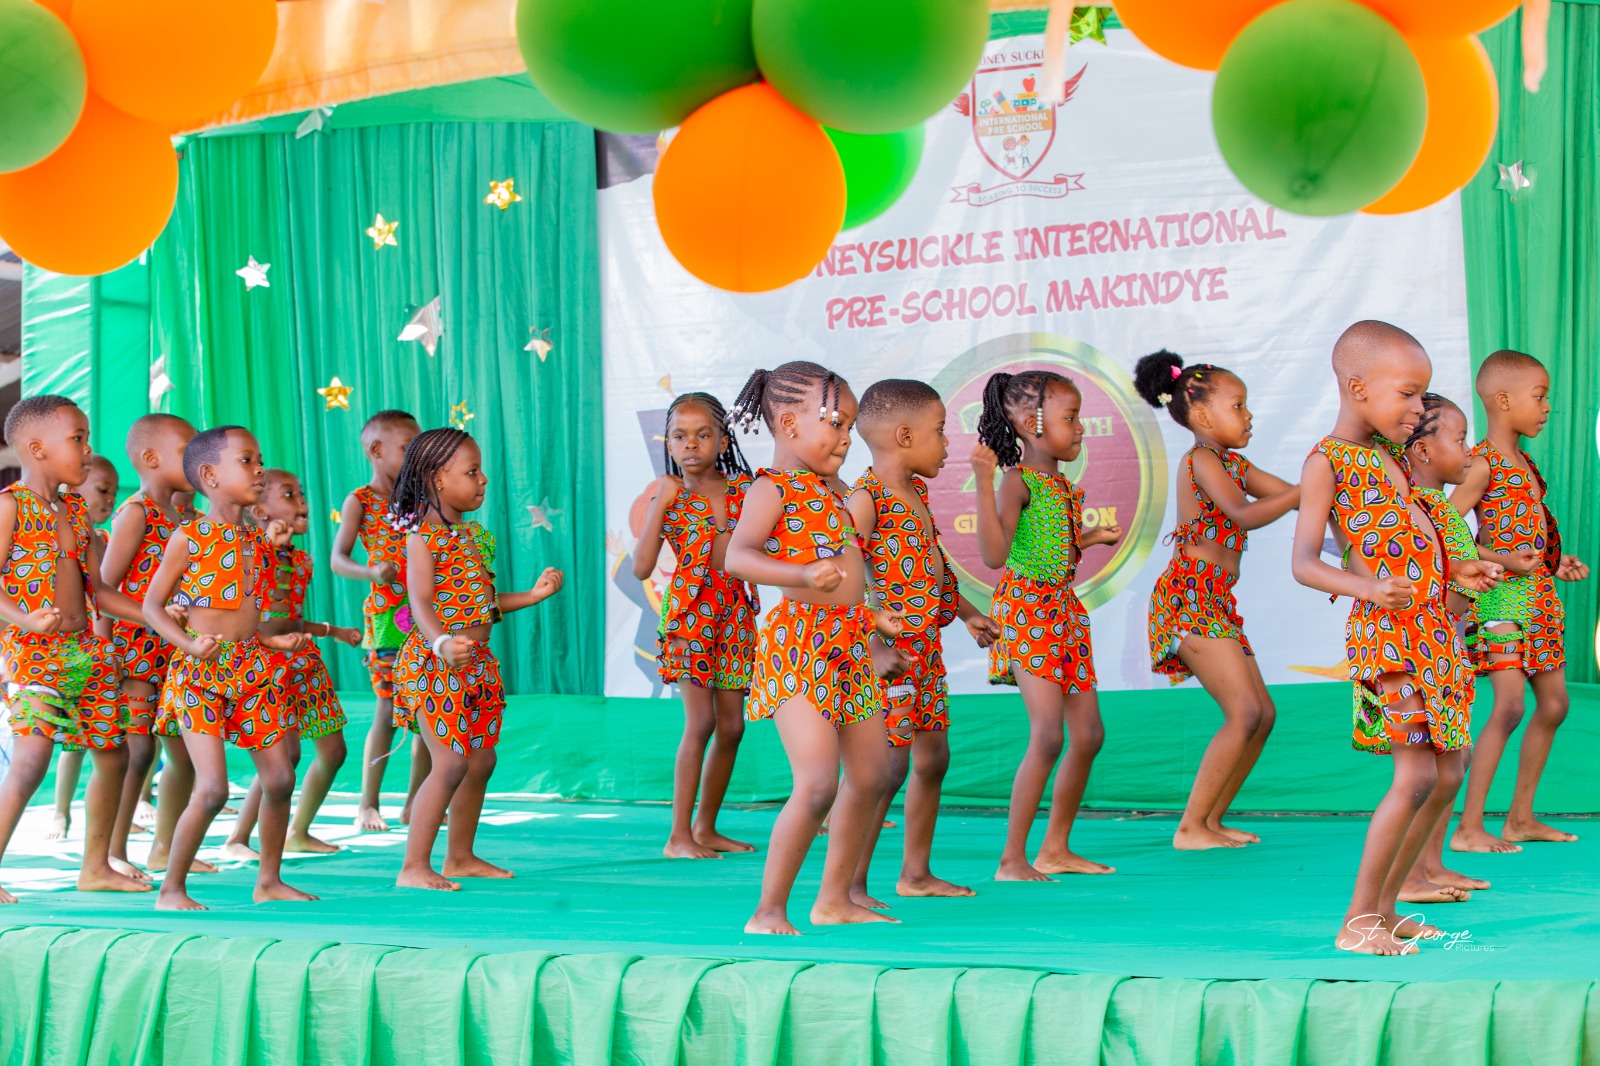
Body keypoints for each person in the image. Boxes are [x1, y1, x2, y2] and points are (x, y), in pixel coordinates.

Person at [1289, 321, 1499, 955]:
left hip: (1434, 635)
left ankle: (1386, 908)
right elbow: (1304, 563)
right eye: (1409, 393)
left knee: (1441, 772)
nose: (1418, 409)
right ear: (1358, 386)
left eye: (1422, 396)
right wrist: (1367, 589)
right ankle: (1357, 920)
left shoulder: (1387, 459)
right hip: (1390, 642)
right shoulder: (1327, 460)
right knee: (1412, 776)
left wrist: (1456, 567)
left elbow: (1413, 535)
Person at [724, 361, 903, 935]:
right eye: (836, 424)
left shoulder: (837, 492)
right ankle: (767, 910)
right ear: (788, 423)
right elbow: (738, 557)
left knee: (873, 773)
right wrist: (800, 577)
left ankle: (833, 898)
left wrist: (874, 615)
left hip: (849, 646)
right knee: (819, 781)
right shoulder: (769, 488)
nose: (847, 439)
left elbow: (848, 572)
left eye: (851, 428)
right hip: (798, 648)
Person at [141, 426, 317, 910]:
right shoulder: (189, 536)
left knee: (280, 778)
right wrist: (189, 644)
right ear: (209, 476)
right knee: (214, 787)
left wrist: (271, 637)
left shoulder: (256, 541)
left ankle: (269, 880)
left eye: (259, 459)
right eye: (246, 460)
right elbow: (154, 607)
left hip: (252, 669)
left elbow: (249, 614)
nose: (259, 469)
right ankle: (171, 889)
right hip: (200, 673)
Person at [1133, 351, 1300, 850]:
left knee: (1262, 715)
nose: (1249, 416)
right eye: (1239, 405)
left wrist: (1327, 488)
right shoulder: (1202, 459)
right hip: (1188, 598)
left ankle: (1209, 821)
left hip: (1214, 600)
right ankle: (1190, 828)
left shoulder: (1231, 461)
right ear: (1203, 416)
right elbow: (1243, 514)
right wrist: (1311, 487)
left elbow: (1294, 494)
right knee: (1244, 712)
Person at [389, 428, 564, 891]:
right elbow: (420, 602)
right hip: (437, 664)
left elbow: (485, 603)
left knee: (480, 762)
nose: (483, 480)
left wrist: (532, 595)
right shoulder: (421, 537)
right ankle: (413, 866)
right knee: (448, 765)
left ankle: (460, 856)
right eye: (471, 472)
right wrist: (440, 642)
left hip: (478, 663)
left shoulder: (474, 536)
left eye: (480, 470)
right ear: (436, 478)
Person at [846, 379, 999, 904]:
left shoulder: (917, 492)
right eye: (940, 432)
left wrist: (969, 613)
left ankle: (914, 874)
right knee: (885, 769)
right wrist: (873, 644)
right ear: (904, 435)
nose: (948, 444)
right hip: (885, 657)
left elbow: (932, 568)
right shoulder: (865, 500)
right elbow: (840, 580)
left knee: (932, 759)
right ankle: (851, 883)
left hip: (923, 652)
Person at [0, 397, 151, 903]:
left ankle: (95, 866)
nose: (88, 450)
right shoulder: (9, 506)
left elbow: (100, 590)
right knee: (31, 760)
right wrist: (24, 617)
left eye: (86, 438)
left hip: (86, 651)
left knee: (114, 753)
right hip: (33, 652)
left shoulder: (74, 509)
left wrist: (153, 614)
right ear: (37, 449)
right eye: (78, 439)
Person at [972, 369, 1120, 881]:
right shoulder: (1016, 481)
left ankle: (1054, 847)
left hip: (1062, 610)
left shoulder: (1060, 483)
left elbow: (1053, 541)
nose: (1079, 429)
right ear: (1032, 424)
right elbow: (995, 556)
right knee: (1048, 736)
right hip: (1027, 612)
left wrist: (1090, 537)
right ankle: (1011, 859)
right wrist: (982, 481)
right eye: (1071, 418)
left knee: (1089, 734)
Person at [1449, 349, 1590, 852]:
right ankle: (1467, 828)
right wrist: (1505, 561)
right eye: (1540, 396)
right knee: (1508, 706)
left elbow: (1525, 538)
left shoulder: (1525, 463)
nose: (1548, 406)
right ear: (1504, 400)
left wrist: (1554, 562)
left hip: (1539, 598)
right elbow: (1445, 530)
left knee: (1554, 704)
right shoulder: (1481, 464)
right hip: (1497, 601)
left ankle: (1520, 818)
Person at [632, 392, 759, 859]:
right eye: (680, 436)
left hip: (735, 615)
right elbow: (642, 568)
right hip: (690, 618)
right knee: (700, 721)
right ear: (668, 442)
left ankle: (705, 827)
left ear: (723, 439)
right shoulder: (670, 493)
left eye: (703, 434)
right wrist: (660, 506)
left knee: (732, 726)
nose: (691, 445)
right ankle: (677, 835)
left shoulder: (746, 490)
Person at [221, 470, 359, 860]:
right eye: (289, 494)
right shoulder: (247, 553)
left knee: (334, 751)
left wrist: (332, 630)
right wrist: (266, 547)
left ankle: (298, 831)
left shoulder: (301, 560)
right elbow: (253, 616)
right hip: (269, 663)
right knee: (285, 757)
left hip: (303, 660)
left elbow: (290, 617)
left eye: (301, 492)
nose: (302, 501)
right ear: (261, 510)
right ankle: (238, 838)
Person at [99, 415, 214, 877]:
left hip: (180, 653)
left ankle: (164, 848)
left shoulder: (191, 519)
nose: (197, 459)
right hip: (136, 652)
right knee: (138, 751)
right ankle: (112, 851)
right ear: (150, 459)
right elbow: (103, 590)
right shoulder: (136, 513)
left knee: (183, 752)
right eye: (187, 450)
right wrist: (105, 652)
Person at [1393, 394, 1492, 902]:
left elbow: (1455, 569)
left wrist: (1482, 568)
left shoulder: (1437, 509)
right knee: (1429, 771)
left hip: (1447, 649)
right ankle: (1408, 878)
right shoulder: (1421, 508)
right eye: (1459, 439)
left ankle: (1428, 864)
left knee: (1452, 764)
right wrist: (1468, 582)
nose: (1469, 449)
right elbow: (1439, 584)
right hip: (1425, 650)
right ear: (1425, 451)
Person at [331, 410, 425, 834]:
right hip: (388, 618)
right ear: (375, 450)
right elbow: (339, 559)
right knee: (387, 708)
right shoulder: (361, 500)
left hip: (428, 614)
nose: (417, 457)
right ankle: (368, 803)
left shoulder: (424, 499)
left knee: (426, 709)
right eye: (409, 448)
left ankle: (416, 802)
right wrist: (371, 572)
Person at [46, 454, 121, 842]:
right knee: (60, 748)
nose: (110, 501)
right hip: (50, 653)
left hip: (94, 651)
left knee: (111, 746)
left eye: (113, 493)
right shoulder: (36, 519)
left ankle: (109, 835)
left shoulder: (101, 539)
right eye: (103, 490)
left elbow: (102, 594)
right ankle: (60, 811)